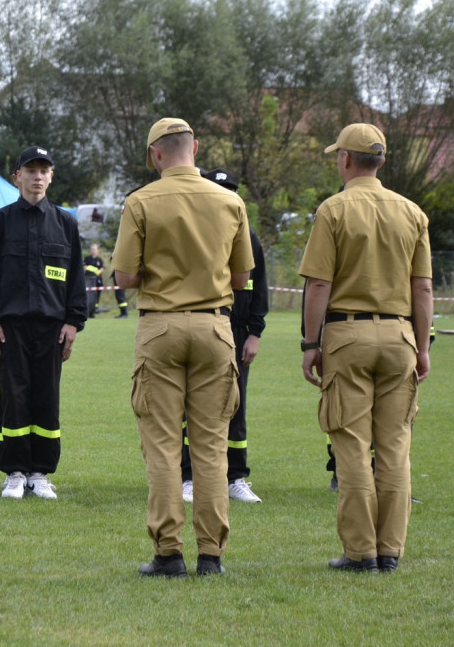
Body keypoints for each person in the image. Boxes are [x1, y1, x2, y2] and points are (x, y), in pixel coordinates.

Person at [112, 118, 253, 578]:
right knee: (212, 448)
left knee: (163, 447)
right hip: (215, 328)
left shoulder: (140, 202)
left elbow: (125, 279)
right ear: (195, 147)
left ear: (155, 155)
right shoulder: (230, 201)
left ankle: (168, 553)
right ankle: (211, 555)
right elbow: (241, 278)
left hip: (161, 327)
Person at [300, 123, 433, 573]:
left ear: (346, 160)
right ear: (380, 161)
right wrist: (423, 346)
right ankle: (391, 550)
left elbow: (319, 283)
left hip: (348, 337)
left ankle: (361, 552)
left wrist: (309, 342)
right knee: (395, 446)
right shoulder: (412, 212)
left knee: (352, 446)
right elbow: (424, 289)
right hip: (400, 337)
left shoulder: (333, 210)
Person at [0, 146, 88, 500]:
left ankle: (40, 473)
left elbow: (75, 278)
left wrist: (73, 322)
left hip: (52, 328)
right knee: (14, 397)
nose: (37, 176)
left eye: (44, 170)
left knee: (46, 398)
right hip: (10, 328)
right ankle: (14, 472)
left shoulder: (66, 223)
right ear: (17, 177)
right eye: (30, 170)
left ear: (52, 176)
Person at [181, 168, 268, 505]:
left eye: (232, 189)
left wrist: (255, 335)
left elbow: (258, 292)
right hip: (203, 329)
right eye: (220, 189)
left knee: (235, 406)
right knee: (190, 407)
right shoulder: (193, 236)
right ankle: (188, 476)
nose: (227, 195)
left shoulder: (250, 238)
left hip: (237, 333)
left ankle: (235, 477)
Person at [84, 243, 105, 317]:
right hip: (88, 280)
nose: (93, 251)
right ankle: (87, 311)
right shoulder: (87, 259)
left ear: (97, 250)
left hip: (97, 280)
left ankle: (94, 310)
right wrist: (94, 269)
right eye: (92, 249)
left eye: (94, 249)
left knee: (96, 296)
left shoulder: (99, 259)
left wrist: (95, 271)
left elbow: (102, 269)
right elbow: (84, 267)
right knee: (88, 296)